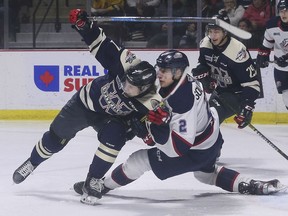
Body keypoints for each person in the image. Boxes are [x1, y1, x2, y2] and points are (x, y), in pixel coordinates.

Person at [73, 50, 286, 203]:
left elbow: (178, 149)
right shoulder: (183, 82)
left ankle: (102, 186)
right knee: (205, 174)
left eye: (165, 70)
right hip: (210, 140)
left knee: (138, 160)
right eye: (160, 68)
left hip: (193, 148)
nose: (160, 74)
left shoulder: (182, 100)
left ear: (178, 72)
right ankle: (250, 183)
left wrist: (154, 129)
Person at [12, 9, 168, 205]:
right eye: (125, 83)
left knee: (116, 137)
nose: (125, 88)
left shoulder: (152, 101)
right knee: (56, 138)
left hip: (110, 118)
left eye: (131, 88)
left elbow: (152, 136)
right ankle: (32, 162)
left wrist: (145, 128)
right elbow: (102, 45)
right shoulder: (126, 63)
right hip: (85, 104)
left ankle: (93, 179)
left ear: (144, 89)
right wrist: (85, 27)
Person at [191, 11, 261, 129]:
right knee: (203, 121)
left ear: (225, 32)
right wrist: (204, 77)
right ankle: (211, 145)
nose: (213, 36)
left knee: (207, 121)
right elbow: (203, 65)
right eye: (210, 31)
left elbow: (252, 84)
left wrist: (247, 107)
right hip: (220, 91)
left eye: (217, 32)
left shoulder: (237, 51)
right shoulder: (205, 44)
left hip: (237, 95)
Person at [256, 0, 288, 110]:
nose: (283, 14)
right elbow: (267, 42)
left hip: (283, 62)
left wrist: (286, 57)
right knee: (286, 98)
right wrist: (262, 55)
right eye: (281, 11)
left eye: (286, 11)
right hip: (281, 68)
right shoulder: (272, 25)